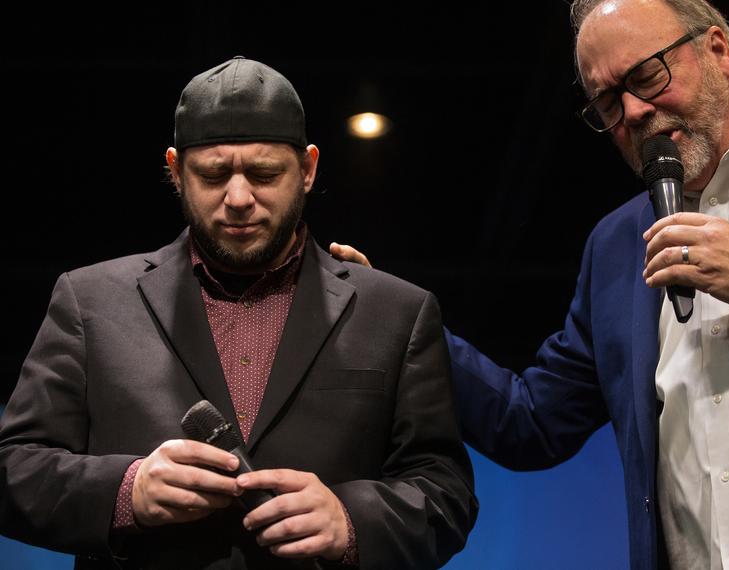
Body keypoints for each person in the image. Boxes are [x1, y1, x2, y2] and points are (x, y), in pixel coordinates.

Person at [331, 0, 729, 568]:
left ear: (718, 50)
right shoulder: (617, 244)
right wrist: (402, 319)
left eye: (647, 77)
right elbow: (530, 422)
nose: (632, 112)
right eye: (607, 103)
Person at [0, 56, 477, 570]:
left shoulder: (398, 311)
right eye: (212, 174)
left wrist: (352, 519)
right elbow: (13, 470)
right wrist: (125, 491)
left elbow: (446, 492)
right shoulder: (90, 300)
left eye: (265, 173)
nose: (239, 197)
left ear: (309, 169)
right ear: (176, 171)